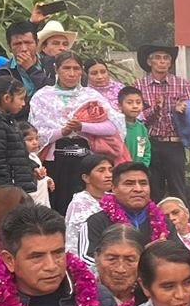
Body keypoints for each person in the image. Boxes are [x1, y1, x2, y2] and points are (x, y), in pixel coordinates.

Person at [30, 53, 126, 214]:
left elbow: (112, 126)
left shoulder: (91, 96)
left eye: (76, 69)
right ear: (56, 69)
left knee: (87, 208)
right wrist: (63, 131)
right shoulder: (42, 97)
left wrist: (82, 126)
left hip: (86, 162)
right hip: (55, 163)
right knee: (57, 207)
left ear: (82, 71)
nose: (72, 73)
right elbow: (36, 134)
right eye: (66, 68)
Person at [137, 43, 190, 202]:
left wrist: (183, 110)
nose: (162, 61)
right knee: (153, 189)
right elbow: (138, 117)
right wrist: (155, 108)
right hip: (149, 143)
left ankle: (180, 223)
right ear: (149, 62)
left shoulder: (182, 84)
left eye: (166, 58)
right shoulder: (139, 86)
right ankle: (153, 223)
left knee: (178, 188)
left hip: (174, 144)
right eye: (157, 58)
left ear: (170, 63)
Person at [82, 161, 171, 261]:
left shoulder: (164, 222)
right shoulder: (96, 222)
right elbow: (87, 260)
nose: (138, 189)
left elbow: (180, 257)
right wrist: (143, 255)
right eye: (129, 184)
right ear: (114, 188)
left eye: (143, 183)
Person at [63, 152, 114, 258]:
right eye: (101, 170)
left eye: (111, 170)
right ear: (86, 178)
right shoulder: (80, 204)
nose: (109, 175)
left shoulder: (115, 198)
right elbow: (74, 244)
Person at [94, 225, 145, 306]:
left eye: (130, 260)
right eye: (111, 259)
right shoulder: (80, 295)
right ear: (97, 258)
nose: (120, 269)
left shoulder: (152, 297)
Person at [4, 19, 54, 101]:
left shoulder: (52, 64)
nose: (24, 49)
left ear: (37, 43)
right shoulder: (5, 71)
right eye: (17, 44)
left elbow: (54, 92)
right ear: (9, 47)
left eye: (28, 43)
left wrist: (31, 69)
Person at [160, 196, 190, 265]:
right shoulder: (163, 243)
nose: (171, 218)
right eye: (166, 217)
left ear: (187, 213)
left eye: (175, 213)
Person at [119, 85, 151, 167]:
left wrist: (143, 166)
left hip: (138, 170)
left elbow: (145, 150)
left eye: (138, 102)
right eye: (129, 103)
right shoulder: (117, 126)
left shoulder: (142, 128)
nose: (135, 106)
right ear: (120, 106)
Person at [23, 122, 54, 208]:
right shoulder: (20, 159)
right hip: (31, 201)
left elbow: (40, 178)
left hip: (42, 200)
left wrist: (47, 179)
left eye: (37, 138)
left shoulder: (34, 157)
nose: (35, 142)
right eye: (30, 140)